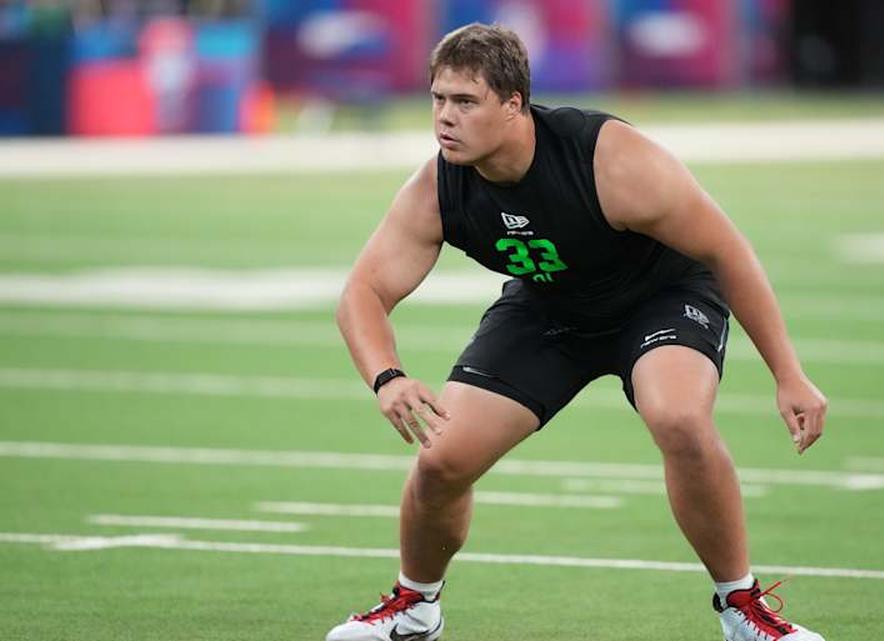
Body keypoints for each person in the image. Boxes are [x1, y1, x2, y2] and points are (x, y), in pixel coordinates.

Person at [329, 23, 828, 641]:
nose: (444, 118)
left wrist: (789, 373)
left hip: (660, 299)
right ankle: (414, 608)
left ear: (514, 104)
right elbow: (362, 291)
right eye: (437, 99)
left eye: (465, 102)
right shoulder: (438, 186)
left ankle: (743, 611)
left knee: (678, 418)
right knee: (442, 461)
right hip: (550, 308)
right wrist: (387, 377)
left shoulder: (609, 158)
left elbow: (730, 253)